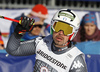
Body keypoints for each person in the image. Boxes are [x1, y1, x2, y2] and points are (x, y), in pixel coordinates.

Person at [6, 9, 87, 72]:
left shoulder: (76, 60)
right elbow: (13, 50)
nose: (61, 33)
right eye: (58, 26)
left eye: (67, 30)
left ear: (74, 33)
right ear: (52, 26)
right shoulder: (42, 42)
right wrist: (18, 33)